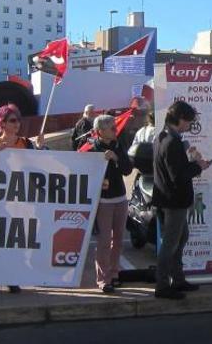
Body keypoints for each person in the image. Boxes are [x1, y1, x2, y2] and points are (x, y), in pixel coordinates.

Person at [153, 101, 211, 299]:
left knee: (181, 238)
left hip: (169, 198)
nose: (189, 126)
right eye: (188, 122)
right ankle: (162, 285)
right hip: (173, 200)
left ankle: (177, 279)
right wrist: (198, 166)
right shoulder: (172, 142)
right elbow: (177, 175)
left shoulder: (163, 137)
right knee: (170, 243)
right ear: (180, 120)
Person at [0, 104, 36, 295]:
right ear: (1, 123)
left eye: (18, 120)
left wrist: (42, 149)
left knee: (14, 242)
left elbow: (36, 167)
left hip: (20, 201)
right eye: (13, 120)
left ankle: (11, 278)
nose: (17, 124)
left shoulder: (27, 144)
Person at [81, 114, 134, 293]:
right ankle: (103, 279)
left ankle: (114, 273)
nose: (115, 130)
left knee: (118, 240)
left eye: (115, 127)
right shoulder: (91, 149)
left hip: (120, 197)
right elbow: (79, 169)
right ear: (100, 131)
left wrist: (117, 158)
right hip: (103, 201)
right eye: (112, 128)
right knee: (104, 240)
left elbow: (127, 170)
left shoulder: (118, 145)